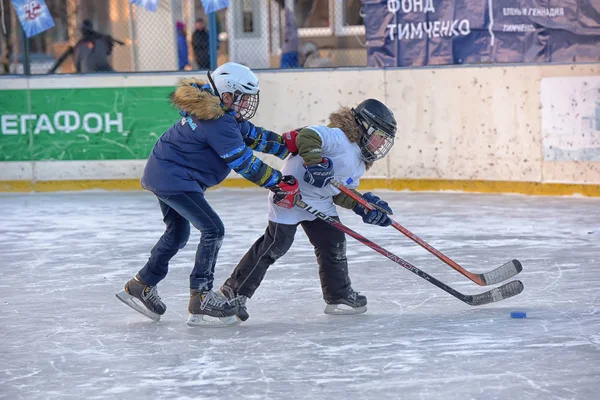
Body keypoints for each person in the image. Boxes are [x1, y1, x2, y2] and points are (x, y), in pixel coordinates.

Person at [116, 62, 300, 327]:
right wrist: (279, 182)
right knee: (213, 230)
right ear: (227, 94)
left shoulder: (220, 113)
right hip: (175, 180)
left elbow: (253, 136)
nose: (247, 104)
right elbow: (243, 162)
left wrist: (288, 147)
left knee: (177, 234)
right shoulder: (218, 121)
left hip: (164, 174)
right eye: (243, 98)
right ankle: (201, 298)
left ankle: (140, 284)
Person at [219, 98, 397, 321]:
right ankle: (233, 292)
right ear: (365, 126)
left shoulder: (359, 161)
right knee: (276, 244)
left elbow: (340, 191)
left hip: (320, 202)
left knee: (333, 242)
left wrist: (363, 206)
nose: (381, 144)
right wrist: (315, 162)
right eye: (380, 136)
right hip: (290, 195)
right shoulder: (339, 137)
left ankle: (339, 295)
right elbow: (308, 135)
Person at [275, 0, 300, 68]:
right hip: (292, 42)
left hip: (290, 43)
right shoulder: (290, 14)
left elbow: (288, 29)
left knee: (288, 59)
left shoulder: (288, 14)